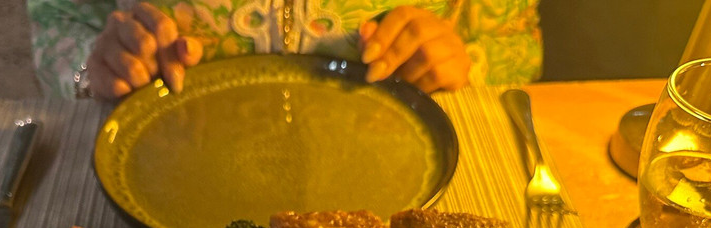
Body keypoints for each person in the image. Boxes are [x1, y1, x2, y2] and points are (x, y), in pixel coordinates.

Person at [28, 0, 540, 100]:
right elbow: (55, 19)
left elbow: (515, 40)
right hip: (170, 157)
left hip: (404, 167)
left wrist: (467, 61)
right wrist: (90, 68)